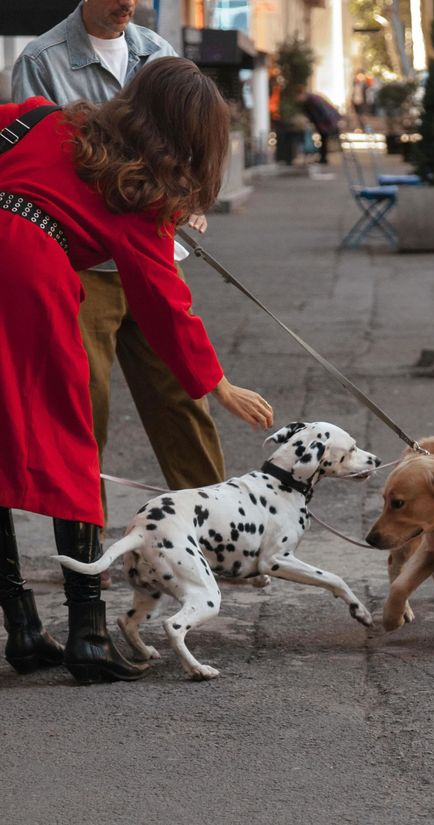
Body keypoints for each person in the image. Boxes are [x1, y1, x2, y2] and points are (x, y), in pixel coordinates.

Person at [0, 56, 274, 685]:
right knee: (70, 447)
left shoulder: (48, 118)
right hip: (32, 278)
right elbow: (166, 306)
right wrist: (218, 384)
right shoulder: (140, 197)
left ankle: (20, 627)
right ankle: (89, 636)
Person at [11, 0, 227, 591]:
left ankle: (214, 535)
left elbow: (186, 141)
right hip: (79, 261)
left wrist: (184, 203)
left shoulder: (158, 53)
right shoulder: (42, 58)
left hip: (149, 246)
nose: (128, 2)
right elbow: (76, 158)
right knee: (85, 402)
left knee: (181, 397)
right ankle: (86, 550)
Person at [296, 87, 342, 166]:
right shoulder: (309, 101)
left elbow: (323, 111)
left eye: (298, 97)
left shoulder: (313, 100)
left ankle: (323, 158)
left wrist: (326, 123)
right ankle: (323, 158)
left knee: (324, 139)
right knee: (323, 140)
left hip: (325, 122)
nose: (298, 99)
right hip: (323, 122)